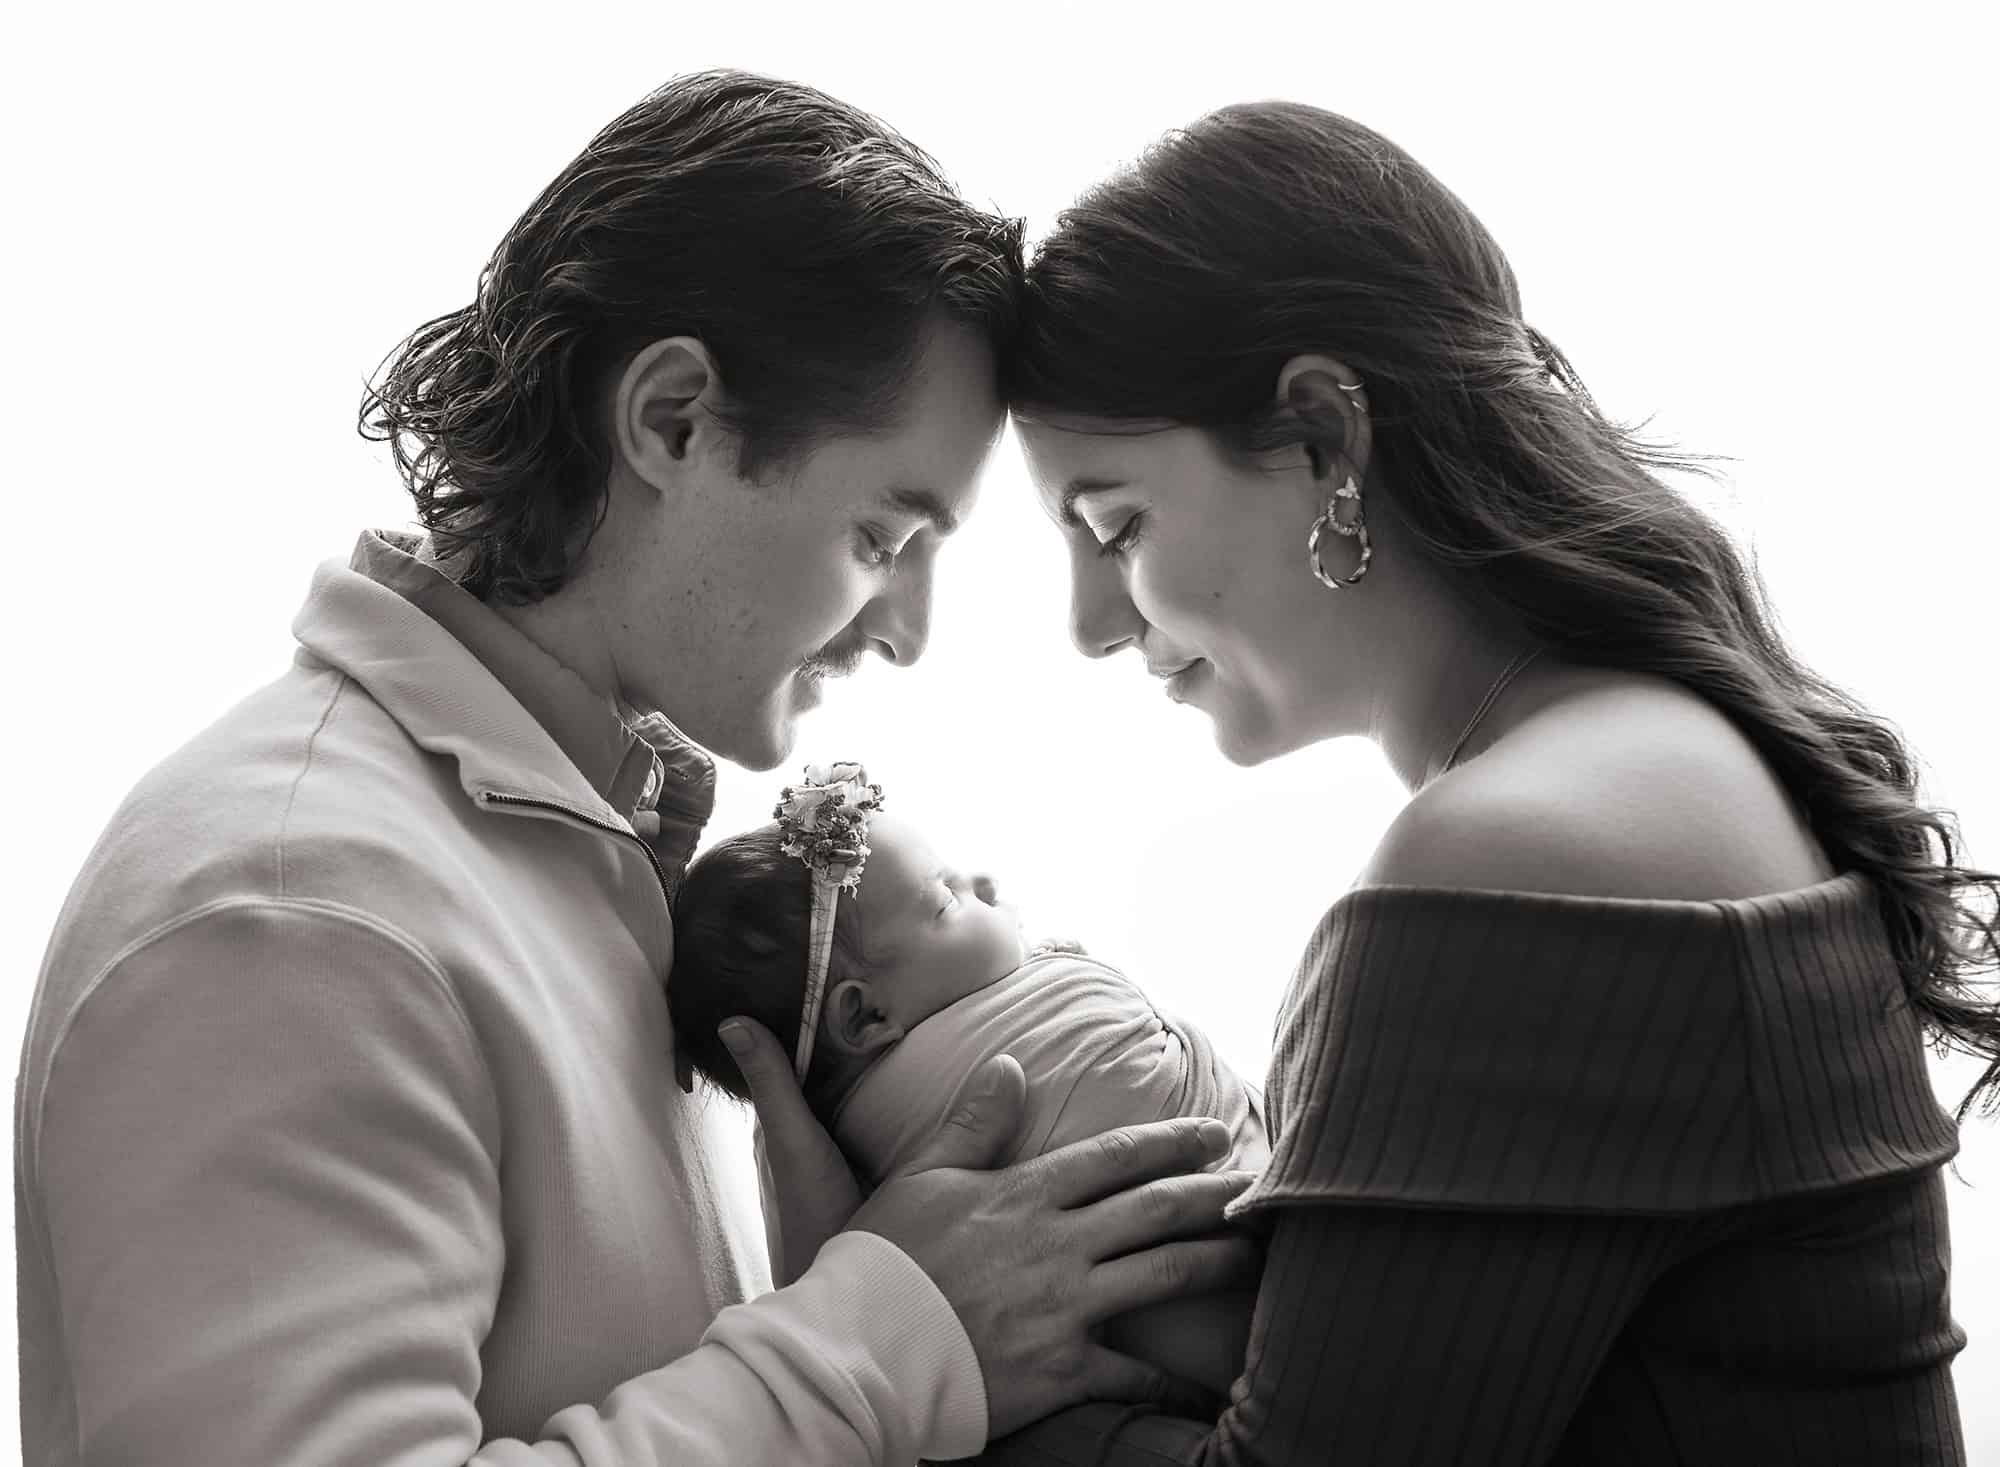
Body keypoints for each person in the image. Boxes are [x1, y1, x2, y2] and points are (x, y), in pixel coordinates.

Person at [12, 72, 1260, 1466]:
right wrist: (881, 1335)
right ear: (673, 420)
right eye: (882, 539)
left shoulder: (599, 874)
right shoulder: (292, 912)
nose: (906, 634)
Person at [981, 100, 2000, 1462]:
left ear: (1325, 440)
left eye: (1117, 525)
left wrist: (925, 1353)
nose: (1092, 624)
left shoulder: (1520, 847)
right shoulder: (1663, 753)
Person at [667, 762, 1270, 1398]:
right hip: (1248, 1319)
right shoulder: (972, 1081)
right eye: (948, 900)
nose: (984, 881)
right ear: (866, 1015)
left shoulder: (858, 1173)